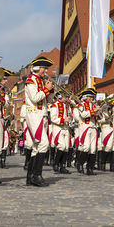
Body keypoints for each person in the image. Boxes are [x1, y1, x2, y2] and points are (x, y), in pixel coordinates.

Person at [24, 56, 54, 187]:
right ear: (37, 68)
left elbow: (49, 100)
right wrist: (46, 89)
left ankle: (30, 177)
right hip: (34, 114)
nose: (46, 71)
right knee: (43, 144)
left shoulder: (40, 81)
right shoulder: (31, 80)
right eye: (44, 68)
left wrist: (51, 89)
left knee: (36, 147)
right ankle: (37, 175)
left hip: (42, 114)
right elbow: (35, 98)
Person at [76, 88, 99, 175]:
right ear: (86, 97)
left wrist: (98, 112)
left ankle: (90, 168)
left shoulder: (93, 105)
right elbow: (84, 115)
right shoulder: (81, 105)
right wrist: (94, 111)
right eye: (90, 97)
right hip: (85, 127)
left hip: (93, 127)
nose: (92, 98)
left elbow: (97, 117)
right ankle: (80, 163)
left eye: (92, 97)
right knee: (86, 147)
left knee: (93, 149)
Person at [50, 92, 71, 174]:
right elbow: (53, 118)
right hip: (58, 127)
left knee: (66, 148)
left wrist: (70, 117)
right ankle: (55, 163)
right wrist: (63, 120)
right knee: (61, 146)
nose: (66, 98)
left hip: (65, 128)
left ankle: (63, 166)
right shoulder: (55, 105)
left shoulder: (66, 106)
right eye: (65, 96)